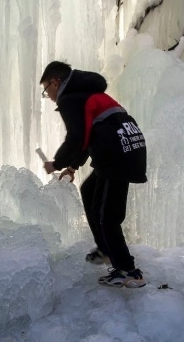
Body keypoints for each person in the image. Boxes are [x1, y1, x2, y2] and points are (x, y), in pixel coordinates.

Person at [40, 61, 147, 288]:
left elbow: (77, 138)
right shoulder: (87, 95)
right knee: (89, 191)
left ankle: (128, 270)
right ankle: (106, 250)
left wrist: (57, 163)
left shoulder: (70, 99)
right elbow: (90, 136)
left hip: (116, 156)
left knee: (106, 216)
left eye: (46, 90)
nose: (48, 96)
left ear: (56, 82)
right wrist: (72, 167)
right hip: (128, 149)